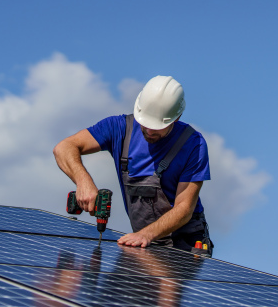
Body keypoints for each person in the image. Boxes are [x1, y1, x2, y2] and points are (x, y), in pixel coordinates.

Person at [53, 75, 213, 256]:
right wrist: (83, 181)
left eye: (158, 126)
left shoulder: (193, 144)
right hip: (144, 242)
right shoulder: (119, 128)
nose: (150, 130)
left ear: (176, 118)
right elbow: (63, 148)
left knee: (167, 285)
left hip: (183, 243)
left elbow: (184, 209)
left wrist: (145, 235)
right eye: (145, 123)